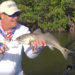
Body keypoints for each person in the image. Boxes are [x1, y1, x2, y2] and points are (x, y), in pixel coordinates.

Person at [0, 0, 46, 75]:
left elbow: (30, 54)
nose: (16, 17)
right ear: (2, 15)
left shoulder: (23, 30)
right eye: (12, 14)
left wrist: (36, 50)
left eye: (17, 14)